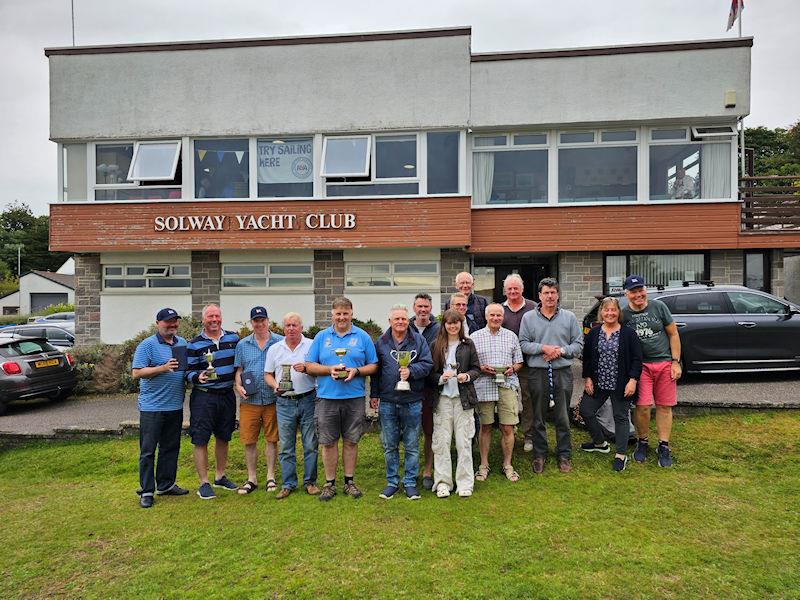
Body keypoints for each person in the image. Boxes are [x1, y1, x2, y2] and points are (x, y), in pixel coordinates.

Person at [305, 297, 378, 501]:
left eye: (346, 313)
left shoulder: (362, 337)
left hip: (354, 397)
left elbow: (374, 365)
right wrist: (329, 370)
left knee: (351, 441)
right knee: (328, 443)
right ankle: (329, 483)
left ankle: (349, 481)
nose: (342, 317)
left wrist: (357, 370)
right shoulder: (321, 337)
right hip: (326, 398)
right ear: (332, 314)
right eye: (338, 313)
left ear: (352, 313)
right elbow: (309, 366)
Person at [518, 278, 583, 474]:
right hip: (537, 372)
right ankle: (540, 454)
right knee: (538, 416)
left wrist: (560, 351)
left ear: (557, 295)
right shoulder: (529, 318)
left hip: (562, 372)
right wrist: (543, 348)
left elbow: (578, 345)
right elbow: (523, 343)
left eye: (553, 292)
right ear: (539, 295)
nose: (549, 296)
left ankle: (564, 454)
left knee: (562, 416)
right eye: (546, 293)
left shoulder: (569, 317)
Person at [370, 304, 433, 500]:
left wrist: (411, 372)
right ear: (389, 321)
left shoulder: (419, 340)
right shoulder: (381, 342)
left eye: (404, 319)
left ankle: (410, 483)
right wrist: (374, 394)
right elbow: (375, 371)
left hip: (412, 400)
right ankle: (392, 482)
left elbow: (428, 364)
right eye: (396, 319)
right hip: (388, 400)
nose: (400, 322)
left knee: (412, 445)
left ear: (409, 321)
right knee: (390, 445)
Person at [620, 275, 682, 467]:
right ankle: (643, 441)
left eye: (640, 290)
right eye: (633, 291)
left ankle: (664, 445)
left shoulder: (659, 307)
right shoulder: (624, 315)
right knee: (643, 406)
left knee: (664, 406)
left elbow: (673, 334)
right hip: (641, 366)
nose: (638, 295)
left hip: (664, 363)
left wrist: (675, 362)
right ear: (626, 294)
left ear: (645, 290)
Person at [131, 308, 190, 508]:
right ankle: (147, 491)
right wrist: (162, 368)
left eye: (175, 322)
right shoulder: (147, 345)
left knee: (170, 448)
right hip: (152, 408)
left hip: (175, 405)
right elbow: (137, 373)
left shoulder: (182, 343)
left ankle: (165, 485)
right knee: (148, 451)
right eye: (168, 322)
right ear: (158, 323)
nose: (172, 325)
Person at [580, 297, 643, 471]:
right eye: (606, 310)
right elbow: (587, 358)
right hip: (599, 382)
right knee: (586, 410)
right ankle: (600, 443)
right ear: (601, 313)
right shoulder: (594, 333)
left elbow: (637, 359)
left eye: (613, 310)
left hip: (621, 383)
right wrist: (588, 378)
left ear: (618, 312)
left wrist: (633, 380)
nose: (610, 313)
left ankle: (621, 454)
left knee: (620, 417)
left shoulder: (628, 333)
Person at [186, 304, 240, 500]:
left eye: (217, 316)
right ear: (203, 320)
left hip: (227, 395)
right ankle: (204, 482)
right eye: (210, 316)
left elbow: (240, 365)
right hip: (204, 396)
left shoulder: (233, 339)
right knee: (200, 438)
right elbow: (187, 371)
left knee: (224, 436)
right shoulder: (194, 344)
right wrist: (196, 376)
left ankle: (220, 475)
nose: (214, 319)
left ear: (221, 318)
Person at [264, 312, 320, 499]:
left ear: (301, 328)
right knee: (286, 445)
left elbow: (320, 370)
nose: (291, 329)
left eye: (295, 325)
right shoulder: (275, 349)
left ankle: (310, 482)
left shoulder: (312, 345)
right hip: (284, 401)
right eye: (288, 325)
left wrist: (307, 368)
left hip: (308, 399)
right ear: (283, 328)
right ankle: (288, 483)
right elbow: (268, 375)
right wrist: (275, 386)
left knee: (310, 444)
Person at [428, 309, 481, 498]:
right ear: (444, 325)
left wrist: (466, 376)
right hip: (442, 400)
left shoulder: (468, 344)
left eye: (456, 323)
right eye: (449, 323)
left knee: (463, 442)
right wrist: (441, 378)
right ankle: (443, 483)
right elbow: (430, 373)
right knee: (441, 443)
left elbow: (476, 369)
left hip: (463, 400)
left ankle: (465, 483)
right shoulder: (436, 345)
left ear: (461, 324)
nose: (452, 326)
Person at [233, 306, 283, 495]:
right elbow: (239, 370)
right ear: (251, 322)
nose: (259, 323)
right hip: (250, 401)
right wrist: (238, 386)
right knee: (249, 440)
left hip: (272, 398)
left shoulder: (279, 341)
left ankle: (271, 476)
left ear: (268, 321)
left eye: (262, 320)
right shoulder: (243, 344)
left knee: (272, 439)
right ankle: (251, 478)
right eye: (256, 320)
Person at [472, 303, 524, 482]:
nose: (495, 318)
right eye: (492, 315)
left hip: (507, 385)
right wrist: (481, 367)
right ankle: (483, 464)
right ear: (486, 317)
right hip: (483, 385)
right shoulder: (475, 337)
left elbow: (519, 362)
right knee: (485, 426)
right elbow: (471, 364)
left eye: (499, 315)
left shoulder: (511, 336)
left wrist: (512, 369)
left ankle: (507, 464)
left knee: (508, 427)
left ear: (503, 317)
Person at [500, 274, 537, 453]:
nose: (513, 291)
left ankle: (529, 435)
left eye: (516, 288)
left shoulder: (533, 307)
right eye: (510, 289)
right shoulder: (500, 309)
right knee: (508, 399)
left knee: (528, 399)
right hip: (505, 366)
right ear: (505, 290)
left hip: (528, 364)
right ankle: (510, 429)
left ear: (522, 289)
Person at [408, 293, 440, 491]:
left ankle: (428, 470)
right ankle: (411, 469)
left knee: (429, 431)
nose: (423, 310)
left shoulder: (438, 329)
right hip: (408, 387)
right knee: (411, 432)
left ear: (430, 308)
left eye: (426, 307)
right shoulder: (404, 326)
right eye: (419, 306)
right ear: (414, 308)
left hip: (430, 387)